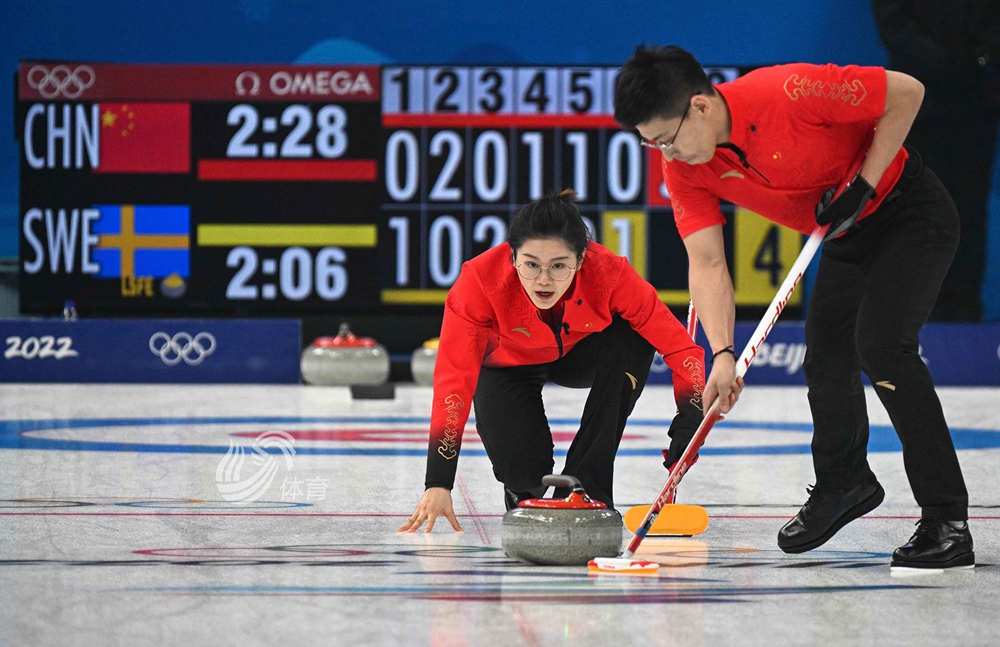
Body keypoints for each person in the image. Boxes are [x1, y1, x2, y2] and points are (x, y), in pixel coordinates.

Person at [613, 46, 974, 569]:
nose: (664, 153)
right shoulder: (687, 169)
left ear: (700, 107)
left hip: (909, 212)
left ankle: (947, 522)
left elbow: (907, 92)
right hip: (846, 236)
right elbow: (708, 264)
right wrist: (720, 354)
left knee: (883, 348)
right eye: (649, 144)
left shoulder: (789, 91)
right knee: (826, 359)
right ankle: (843, 484)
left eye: (666, 137)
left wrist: (865, 182)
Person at [397, 190, 707, 533]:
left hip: (578, 354)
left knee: (633, 337)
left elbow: (683, 350)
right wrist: (438, 482)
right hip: (507, 365)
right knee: (524, 471)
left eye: (559, 266)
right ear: (512, 256)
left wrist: (691, 413)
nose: (543, 280)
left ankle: (587, 488)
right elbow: (453, 382)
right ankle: (524, 492)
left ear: (581, 259)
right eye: (530, 264)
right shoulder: (478, 283)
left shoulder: (611, 273)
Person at [873, 0, 1000, 321]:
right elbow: (894, 25)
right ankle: (919, 313)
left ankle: (963, 311)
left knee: (969, 210)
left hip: (978, 100)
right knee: (919, 211)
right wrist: (945, 64)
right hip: (917, 105)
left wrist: (980, 60)